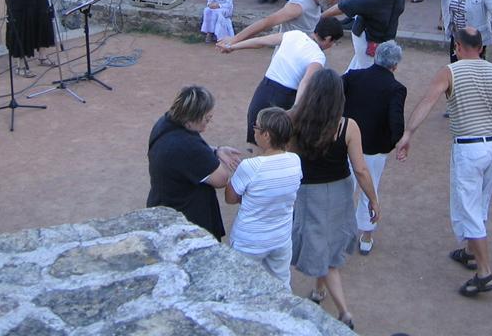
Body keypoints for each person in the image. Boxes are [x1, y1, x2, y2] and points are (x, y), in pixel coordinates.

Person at [396, 27, 492, 297]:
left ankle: (484, 272)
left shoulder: (449, 72)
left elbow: (427, 102)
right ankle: (469, 251)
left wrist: (409, 133)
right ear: (480, 47)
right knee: (481, 200)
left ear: (457, 46)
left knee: (468, 208)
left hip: (469, 148)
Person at [290, 69, 380, 330]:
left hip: (309, 192)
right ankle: (343, 311)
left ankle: (329, 299)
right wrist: (373, 199)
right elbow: (361, 169)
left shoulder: (295, 121)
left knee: (320, 244)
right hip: (340, 190)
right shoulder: (348, 126)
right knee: (328, 247)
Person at [222, 18, 345, 143]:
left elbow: (261, 41)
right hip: (286, 98)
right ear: (328, 38)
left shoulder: (294, 34)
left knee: (256, 135)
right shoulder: (318, 56)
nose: (332, 46)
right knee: (278, 142)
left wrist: (232, 46)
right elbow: (306, 82)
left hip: (264, 89)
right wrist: (296, 108)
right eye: (334, 42)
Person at [146, 86, 242, 240]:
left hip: (164, 203)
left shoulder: (165, 122)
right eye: (206, 119)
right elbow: (221, 179)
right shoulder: (187, 146)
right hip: (186, 220)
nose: (206, 125)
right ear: (191, 120)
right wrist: (220, 159)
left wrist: (216, 151)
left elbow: (196, 152)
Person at [342, 40, 407, 256]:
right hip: (375, 148)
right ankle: (366, 234)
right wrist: (393, 142)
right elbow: (396, 121)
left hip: (347, 142)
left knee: (345, 188)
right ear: (395, 65)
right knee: (371, 187)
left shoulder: (352, 77)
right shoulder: (396, 88)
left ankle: (342, 231)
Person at [225, 107, 302, 288]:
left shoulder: (250, 166)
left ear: (266, 135)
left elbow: (230, 197)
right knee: (281, 285)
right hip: (280, 238)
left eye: (257, 127)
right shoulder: (295, 161)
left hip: (249, 240)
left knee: (241, 287)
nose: (254, 130)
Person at [218, 0, 345, 49]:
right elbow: (266, 22)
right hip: (289, 58)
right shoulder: (298, 7)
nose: (334, 3)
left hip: (304, 52)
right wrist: (234, 40)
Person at [323, 0, 410, 72]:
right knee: (369, 71)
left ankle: (343, 84)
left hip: (386, 38)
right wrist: (321, 17)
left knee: (361, 67)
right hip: (367, 38)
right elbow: (343, 6)